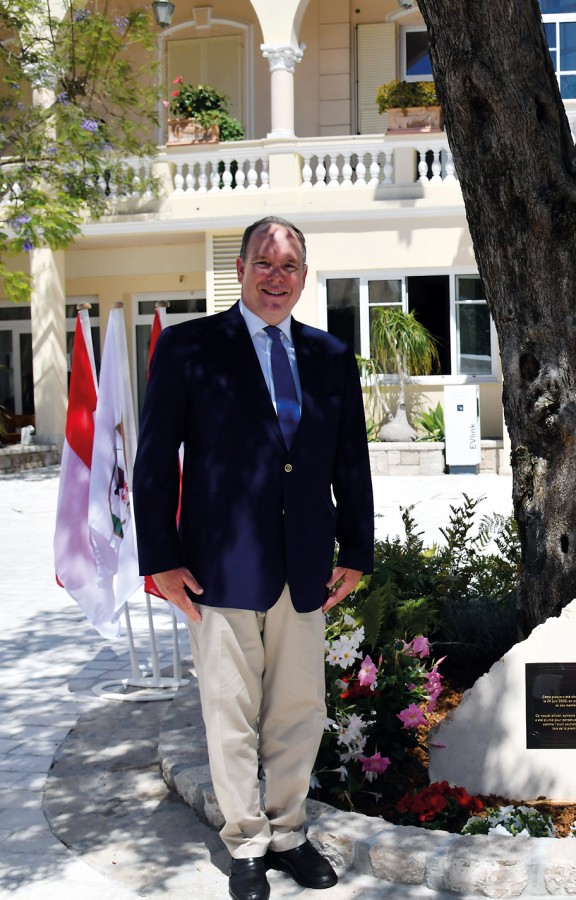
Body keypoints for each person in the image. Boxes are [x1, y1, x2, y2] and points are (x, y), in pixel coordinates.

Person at [134, 217, 374, 900]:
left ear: (305, 275)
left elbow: (348, 460)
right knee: (231, 715)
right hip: (219, 568)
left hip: (305, 569)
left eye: (291, 266)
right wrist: (161, 557)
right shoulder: (188, 349)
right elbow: (155, 462)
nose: (277, 277)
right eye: (264, 264)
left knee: (299, 712)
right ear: (240, 268)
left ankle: (291, 833)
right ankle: (246, 843)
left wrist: (356, 548)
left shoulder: (330, 357)